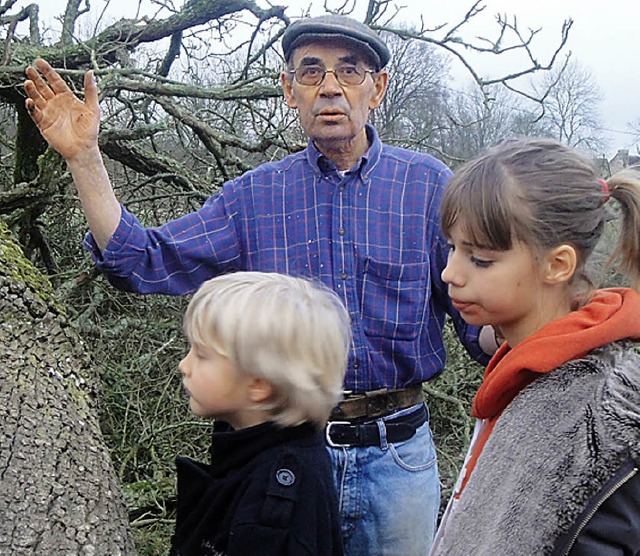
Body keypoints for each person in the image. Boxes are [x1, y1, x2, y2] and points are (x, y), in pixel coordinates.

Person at [24, 14, 494, 554]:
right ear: (288, 90)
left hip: (399, 457)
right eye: (311, 72)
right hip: (279, 461)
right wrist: (85, 159)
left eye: (349, 71)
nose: (331, 87)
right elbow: (142, 260)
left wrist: (530, 329)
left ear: (378, 88)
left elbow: (476, 325)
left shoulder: (430, 187)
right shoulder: (253, 198)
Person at [431, 137, 640, 555]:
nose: (449, 273)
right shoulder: (528, 368)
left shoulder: (602, 414)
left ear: (557, 265)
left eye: (480, 259)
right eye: (453, 248)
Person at [170, 271, 350, 555]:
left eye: (202, 355)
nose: (184, 365)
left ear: (259, 386)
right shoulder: (245, 450)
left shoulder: (275, 506)